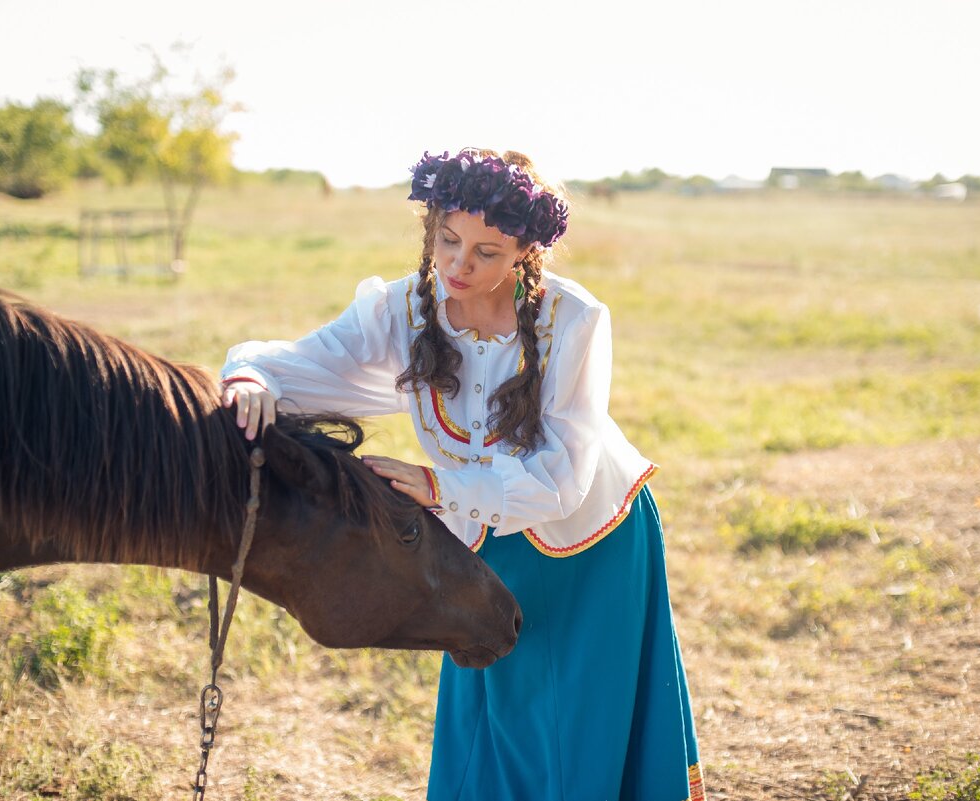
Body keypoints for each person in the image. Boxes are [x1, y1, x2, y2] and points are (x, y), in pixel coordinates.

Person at [221, 148, 705, 801]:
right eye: (447, 240)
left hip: (589, 540)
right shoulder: (402, 310)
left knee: (569, 725)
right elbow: (306, 362)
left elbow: (560, 476)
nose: (458, 264)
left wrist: (440, 487)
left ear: (525, 253)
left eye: (486, 251)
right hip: (478, 537)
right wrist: (251, 375)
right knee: (491, 714)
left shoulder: (575, 320)